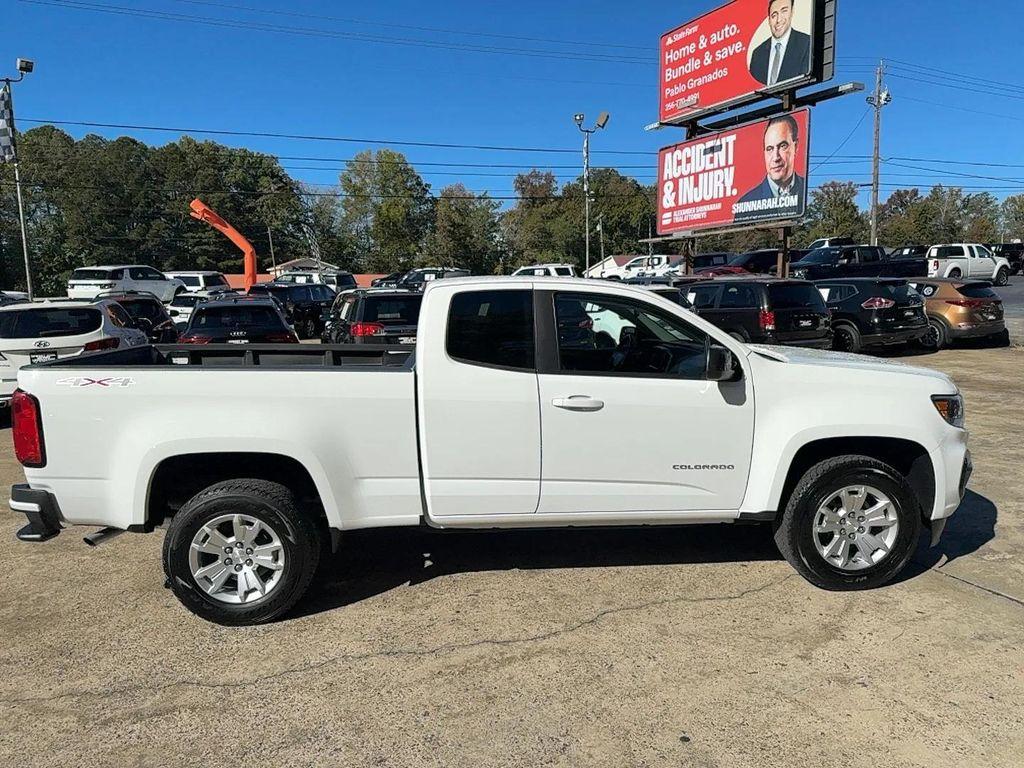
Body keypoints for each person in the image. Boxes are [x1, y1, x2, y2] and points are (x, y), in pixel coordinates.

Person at [734, 114, 805, 223]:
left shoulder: (806, 190)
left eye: (782, 146)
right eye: (770, 149)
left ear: (795, 146)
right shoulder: (745, 203)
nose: (776, 157)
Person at [749, 0, 811, 87]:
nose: (778, 20)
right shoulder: (757, 54)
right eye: (774, 15)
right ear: (769, 20)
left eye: (784, 11)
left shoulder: (806, 43)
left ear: (792, 12)